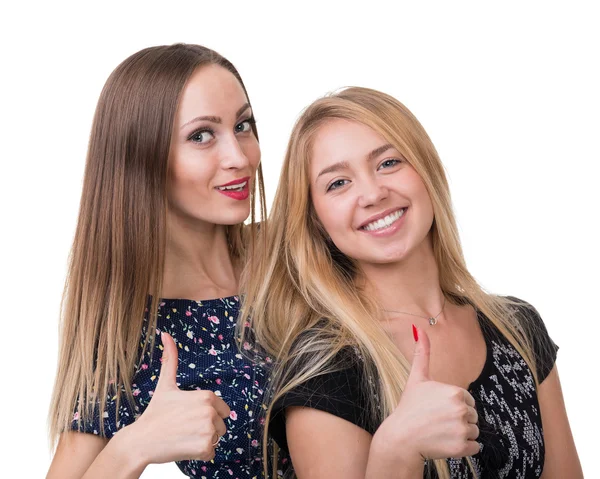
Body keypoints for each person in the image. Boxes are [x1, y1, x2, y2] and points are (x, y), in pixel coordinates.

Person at [241, 87, 583, 478]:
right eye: (338, 183)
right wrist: (396, 451)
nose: (372, 193)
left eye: (388, 162)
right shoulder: (324, 369)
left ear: (426, 169)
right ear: (317, 220)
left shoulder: (518, 325)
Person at [47, 43, 273, 479]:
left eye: (243, 125)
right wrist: (135, 446)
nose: (240, 158)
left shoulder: (298, 252)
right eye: (201, 135)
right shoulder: (130, 331)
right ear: (140, 159)